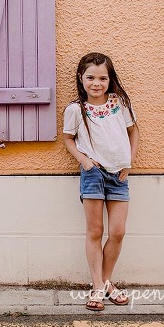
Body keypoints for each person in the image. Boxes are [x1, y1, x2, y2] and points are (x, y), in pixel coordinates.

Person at [62, 52, 139, 311]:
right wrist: (84, 161)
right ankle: (98, 286)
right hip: (93, 173)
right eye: (91, 77)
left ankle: (106, 282)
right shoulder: (76, 109)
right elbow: (67, 139)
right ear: (81, 79)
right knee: (95, 231)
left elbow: (134, 131)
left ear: (110, 79)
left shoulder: (120, 103)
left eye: (102, 78)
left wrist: (130, 161)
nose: (97, 83)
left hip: (119, 174)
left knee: (118, 232)